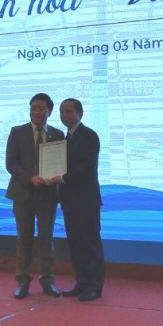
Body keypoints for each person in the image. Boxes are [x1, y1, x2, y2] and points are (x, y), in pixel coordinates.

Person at [5, 93, 64, 299]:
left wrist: (56, 177)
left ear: (49, 111)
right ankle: (22, 282)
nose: (36, 112)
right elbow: (11, 164)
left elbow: (60, 165)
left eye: (41, 109)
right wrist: (30, 178)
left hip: (48, 194)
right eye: (33, 108)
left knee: (47, 239)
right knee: (24, 239)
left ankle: (48, 281)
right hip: (23, 193)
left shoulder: (57, 134)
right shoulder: (17, 132)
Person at [48, 98, 105, 302]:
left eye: (68, 111)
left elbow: (87, 167)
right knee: (75, 244)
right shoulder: (65, 139)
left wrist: (62, 178)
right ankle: (81, 282)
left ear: (79, 113)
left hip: (86, 201)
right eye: (62, 112)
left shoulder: (89, 135)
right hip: (69, 201)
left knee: (90, 244)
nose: (64, 115)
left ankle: (94, 286)